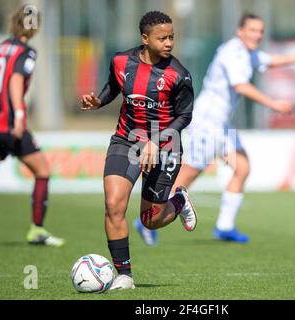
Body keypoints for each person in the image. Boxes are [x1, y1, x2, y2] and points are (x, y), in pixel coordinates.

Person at [135, 13, 295, 245]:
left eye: (260, 31)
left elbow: (268, 60)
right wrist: (274, 104)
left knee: (242, 167)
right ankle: (147, 220)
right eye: (252, 30)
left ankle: (224, 226)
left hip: (221, 125)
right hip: (207, 123)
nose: (257, 35)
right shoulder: (233, 53)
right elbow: (240, 86)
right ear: (240, 31)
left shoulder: (246, 53)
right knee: (189, 174)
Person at [80, 11, 197, 290]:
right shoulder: (121, 61)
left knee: (151, 220)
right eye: (162, 38)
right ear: (145, 38)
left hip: (166, 145)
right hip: (126, 140)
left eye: (172, 37)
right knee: (113, 205)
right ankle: (125, 275)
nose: (169, 42)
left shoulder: (179, 75)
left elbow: (185, 116)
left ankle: (178, 201)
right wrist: (98, 101)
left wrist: (156, 142)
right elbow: (112, 87)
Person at [0, 5, 64, 248]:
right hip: (8, 123)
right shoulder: (26, 52)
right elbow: (16, 82)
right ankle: (37, 230)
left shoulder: (0, 48)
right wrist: (18, 115)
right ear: (35, 27)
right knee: (43, 171)